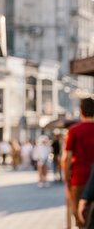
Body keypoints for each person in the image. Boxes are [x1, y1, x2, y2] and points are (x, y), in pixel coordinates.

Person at [62, 97, 94, 228]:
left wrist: (66, 178)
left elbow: (66, 158)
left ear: (81, 111)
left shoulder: (74, 130)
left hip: (79, 179)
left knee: (81, 219)